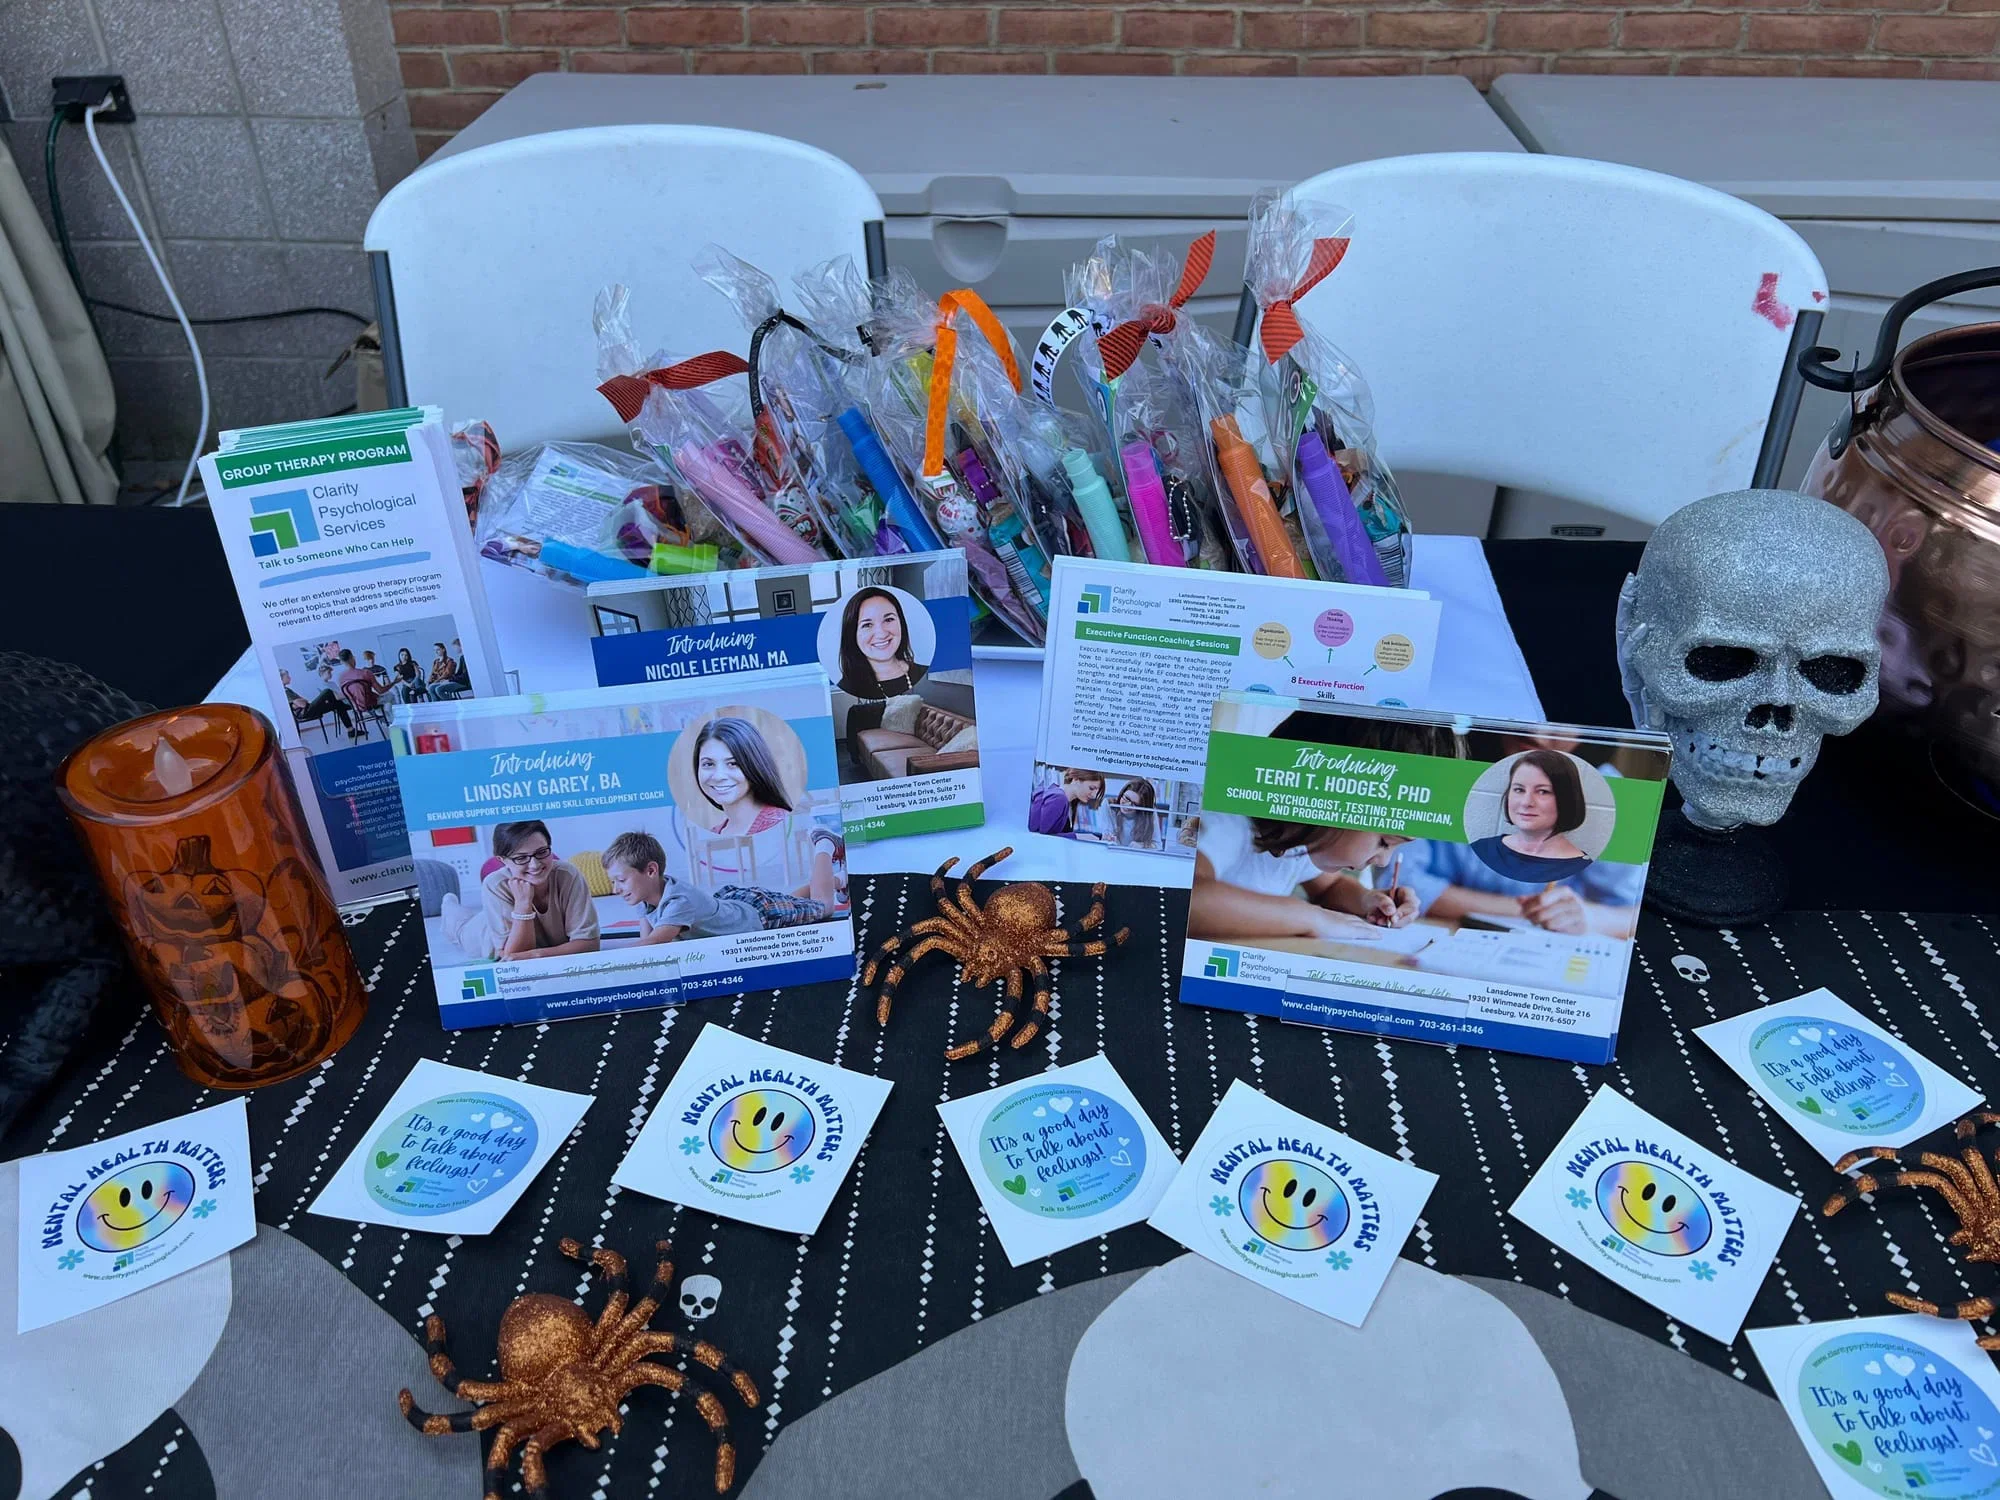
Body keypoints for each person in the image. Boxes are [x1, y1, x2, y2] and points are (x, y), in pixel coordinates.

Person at [1187, 716, 1462, 942]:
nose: (1383, 860)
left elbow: (1329, 888)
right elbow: (1190, 900)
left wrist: (1368, 900)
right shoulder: (1230, 818)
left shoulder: (1299, 841)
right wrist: (1309, 917)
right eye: (1384, 842)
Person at [1408, 840, 1641, 939]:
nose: (1537, 734)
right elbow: (1404, 884)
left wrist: (1587, 915)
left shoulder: (1610, 788)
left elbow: (1635, 914)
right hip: (1446, 939)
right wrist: (1533, 910)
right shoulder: (1446, 764)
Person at [603, 831, 762, 943]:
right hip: (725, 903)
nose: (615, 890)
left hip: (756, 915)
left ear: (651, 871)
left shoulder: (679, 902)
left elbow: (655, 942)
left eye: (621, 880)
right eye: (613, 882)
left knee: (786, 904)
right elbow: (647, 943)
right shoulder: (644, 897)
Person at [479, 821, 600, 960]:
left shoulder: (567, 875)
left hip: (514, 923)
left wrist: (537, 954)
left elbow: (590, 944)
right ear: (503, 860)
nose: (535, 865)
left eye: (542, 852)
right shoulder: (495, 885)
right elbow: (511, 958)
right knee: (459, 927)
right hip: (482, 932)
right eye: (521, 858)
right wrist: (523, 904)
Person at [1469, 750, 1595, 882]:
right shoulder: (1479, 849)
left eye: (1543, 792)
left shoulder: (1585, 872)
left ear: (1567, 799)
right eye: (1519, 789)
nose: (1526, 802)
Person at [837, 587, 928, 735]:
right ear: (852, 634)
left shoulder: (922, 670)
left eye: (889, 619)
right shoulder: (848, 683)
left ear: (901, 623)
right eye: (867, 625)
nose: (881, 633)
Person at [1029, 767, 1104, 839]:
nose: (1094, 795)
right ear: (1075, 779)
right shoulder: (1058, 799)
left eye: (1096, 792)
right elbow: (1043, 837)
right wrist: (1079, 837)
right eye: (1091, 788)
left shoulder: (1071, 803)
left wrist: (1098, 836)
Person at [334, 649, 382, 741]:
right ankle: (389, 721)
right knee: (389, 696)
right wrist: (394, 682)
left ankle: (382, 717)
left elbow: (346, 695)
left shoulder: (341, 677)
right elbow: (380, 690)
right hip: (371, 703)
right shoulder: (365, 672)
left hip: (356, 707)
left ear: (341, 662)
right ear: (352, 658)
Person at [1109, 777, 1161, 849]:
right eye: (1127, 798)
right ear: (1122, 793)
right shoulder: (1110, 806)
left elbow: (1158, 846)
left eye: (1135, 804)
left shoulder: (1150, 813)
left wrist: (1142, 846)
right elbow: (1107, 837)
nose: (1127, 806)